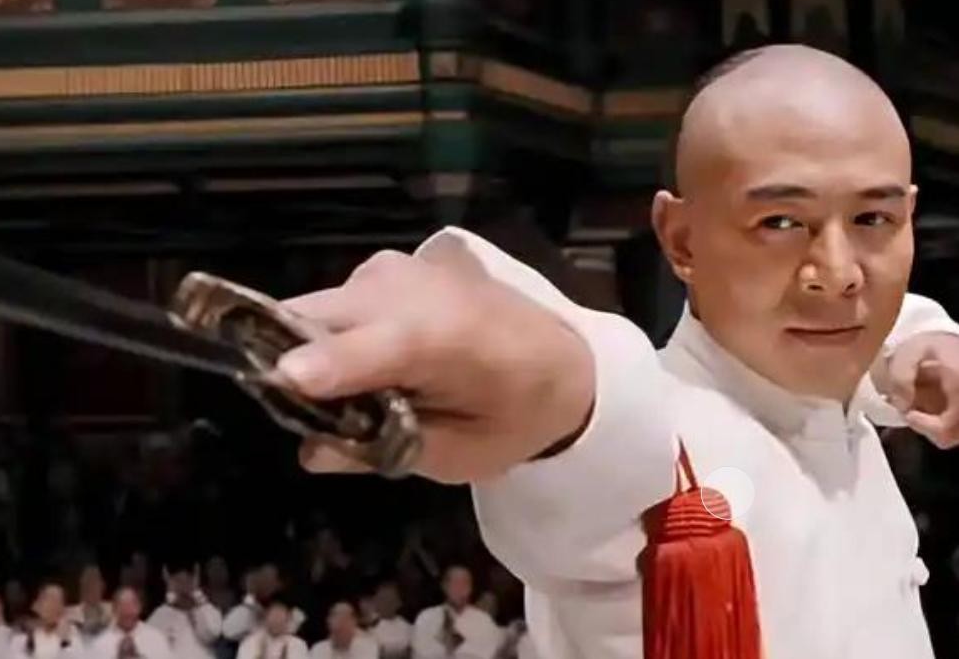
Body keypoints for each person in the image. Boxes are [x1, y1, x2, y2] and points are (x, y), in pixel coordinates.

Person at [274, 44, 959, 658]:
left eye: (873, 218)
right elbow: (603, 415)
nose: (838, 272)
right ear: (681, 239)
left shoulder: (848, 381)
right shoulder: (665, 445)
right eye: (779, 221)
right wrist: (545, 378)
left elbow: (888, 333)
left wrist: (927, 341)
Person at [410, 567, 498, 659]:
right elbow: (419, 653)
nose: (460, 589)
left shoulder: (484, 621)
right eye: (455, 584)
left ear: (471, 589)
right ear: (444, 586)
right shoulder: (426, 617)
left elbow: (488, 654)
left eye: (465, 584)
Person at [147, 565, 221, 659]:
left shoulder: (208, 609)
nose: (183, 586)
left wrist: (196, 596)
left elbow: (210, 634)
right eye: (178, 581)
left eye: (188, 581)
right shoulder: (160, 614)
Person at [8, 584, 80, 659]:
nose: (54, 606)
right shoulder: (22, 637)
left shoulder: (72, 634)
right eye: (49, 600)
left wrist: (65, 641)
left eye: (58, 601)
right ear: (36, 605)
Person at [235, 601, 306, 659]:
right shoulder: (250, 642)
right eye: (274, 616)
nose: (277, 621)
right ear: (266, 618)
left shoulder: (298, 645)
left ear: (287, 620)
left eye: (280, 617)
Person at [308, 602, 375, 659]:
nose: (338, 635)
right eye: (336, 631)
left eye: (344, 623)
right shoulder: (318, 649)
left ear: (353, 624)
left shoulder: (367, 648)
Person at [64, 567, 111, 645]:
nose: (91, 589)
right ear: (82, 588)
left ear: (102, 586)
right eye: (88, 585)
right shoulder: (69, 614)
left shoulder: (114, 611)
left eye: (95, 584)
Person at [365, 584, 409, 659]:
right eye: (382, 599)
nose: (386, 603)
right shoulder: (367, 626)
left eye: (390, 599)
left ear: (399, 603)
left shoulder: (407, 627)